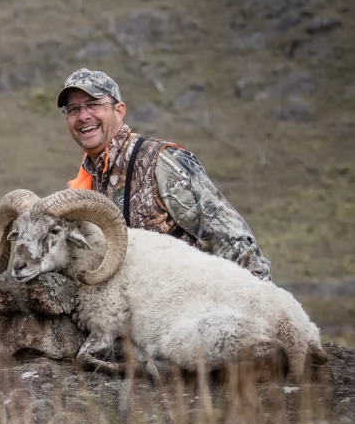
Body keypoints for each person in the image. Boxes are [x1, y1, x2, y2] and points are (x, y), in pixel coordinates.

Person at [56, 67, 273, 281]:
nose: (83, 116)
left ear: (119, 110)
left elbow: (232, 240)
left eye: (93, 105)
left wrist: (261, 297)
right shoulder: (86, 184)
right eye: (73, 109)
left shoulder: (162, 161)